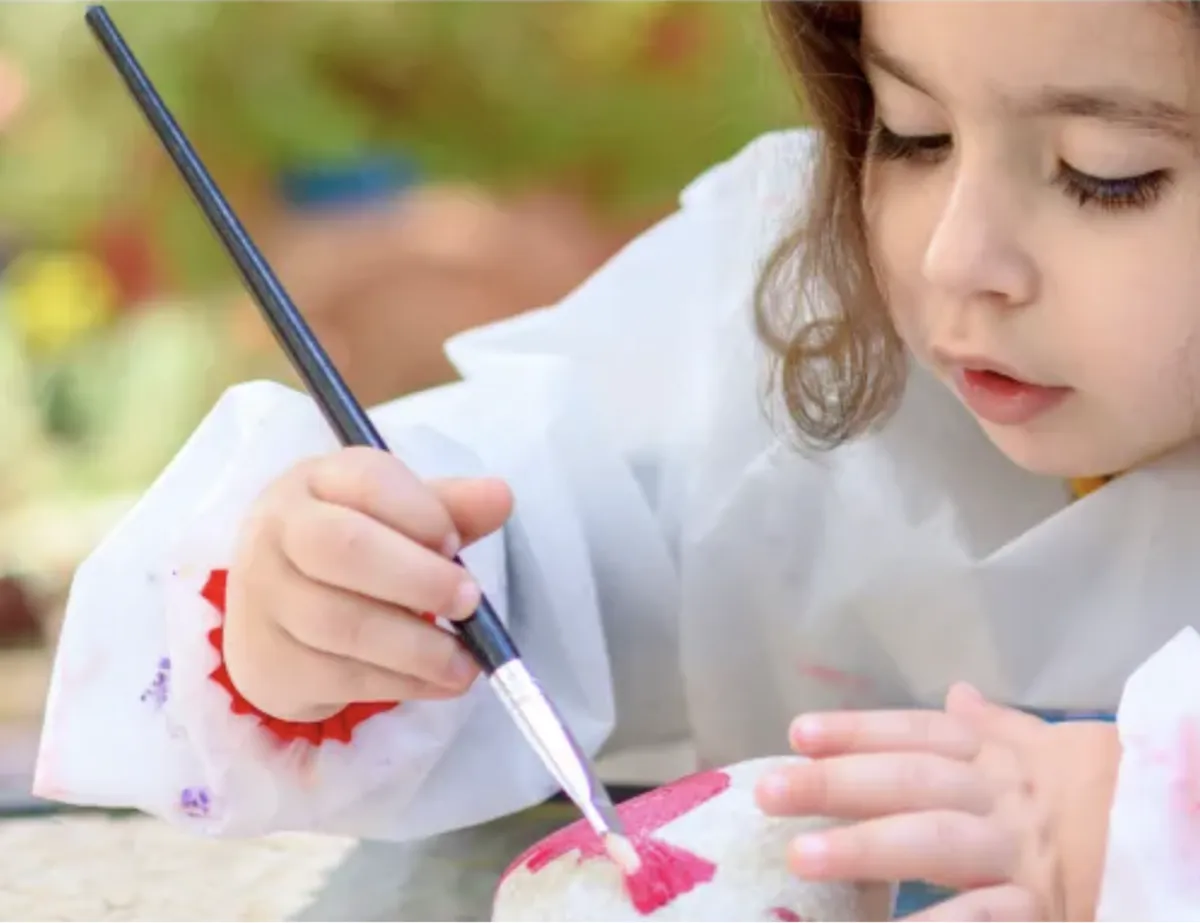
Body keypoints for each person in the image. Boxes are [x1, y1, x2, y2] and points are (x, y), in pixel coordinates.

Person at [33, 2, 1200, 918]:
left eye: (1109, 172)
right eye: (912, 133)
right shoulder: (801, 310)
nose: (958, 257)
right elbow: (548, 500)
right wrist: (329, 587)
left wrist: (1150, 833)